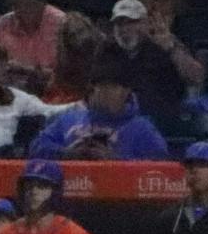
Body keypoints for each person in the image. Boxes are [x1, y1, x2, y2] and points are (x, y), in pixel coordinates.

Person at [30, 64, 171, 162]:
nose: (104, 93)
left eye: (112, 87)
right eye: (100, 87)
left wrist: (114, 159)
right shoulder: (69, 119)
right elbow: (37, 147)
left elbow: (160, 165)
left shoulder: (142, 128)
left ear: (126, 92)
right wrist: (67, 153)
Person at [97, 0, 200, 131]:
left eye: (132, 22)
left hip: (162, 125)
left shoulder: (164, 46)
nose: (125, 29)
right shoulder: (104, 53)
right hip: (115, 126)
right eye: (119, 24)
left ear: (146, 24)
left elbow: (196, 77)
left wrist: (171, 47)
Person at [0, 0, 67, 94]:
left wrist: (27, 71)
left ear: (41, 2)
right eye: (15, 4)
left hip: (52, 92)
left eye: (26, 4)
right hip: (11, 93)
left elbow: (71, 72)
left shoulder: (62, 23)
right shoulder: (5, 22)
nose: (19, 10)